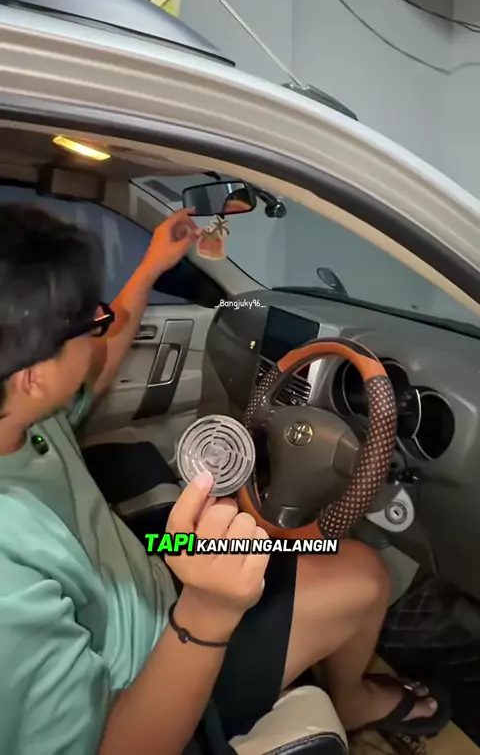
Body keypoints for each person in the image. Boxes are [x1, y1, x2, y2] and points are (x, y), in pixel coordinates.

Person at [0, 203, 448, 755]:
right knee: (364, 575)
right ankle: (351, 700)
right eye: (88, 322)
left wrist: (151, 266)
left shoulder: (28, 417)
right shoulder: (6, 594)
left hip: (149, 574)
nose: (102, 325)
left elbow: (104, 359)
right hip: (156, 668)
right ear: (33, 376)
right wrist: (210, 610)